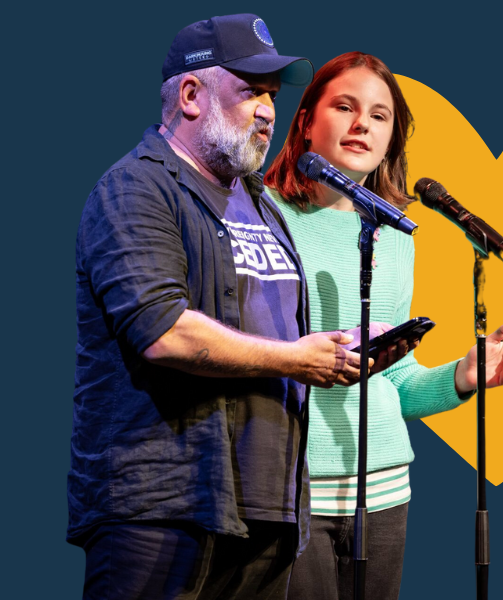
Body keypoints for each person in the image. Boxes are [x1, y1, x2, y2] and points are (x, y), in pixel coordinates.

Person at [69, 15, 370, 600]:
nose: (266, 111)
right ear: (189, 95)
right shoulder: (136, 188)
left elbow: (274, 330)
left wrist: (338, 352)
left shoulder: (262, 205)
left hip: (266, 507)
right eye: (250, 91)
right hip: (164, 509)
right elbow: (164, 332)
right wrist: (294, 359)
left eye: (272, 96)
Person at [264, 52, 503, 600]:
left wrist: (462, 377)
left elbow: (394, 381)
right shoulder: (261, 213)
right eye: (345, 106)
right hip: (293, 489)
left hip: (385, 492)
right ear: (306, 121)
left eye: (380, 115)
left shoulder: (397, 236)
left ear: (392, 138)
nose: (362, 124)